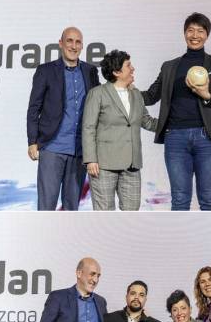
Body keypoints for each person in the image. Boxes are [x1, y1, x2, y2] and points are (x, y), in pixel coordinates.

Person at [142, 12, 211, 210]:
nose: (195, 35)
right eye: (190, 30)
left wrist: (207, 94)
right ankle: (180, 241)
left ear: (207, 35)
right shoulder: (169, 66)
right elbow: (150, 96)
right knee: (180, 199)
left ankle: (209, 241)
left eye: (200, 31)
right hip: (175, 138)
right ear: (184, 33)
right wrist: (120, 91)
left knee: (208, 199)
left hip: (207, 137)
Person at [27, 27, 100, 210]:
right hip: (52, 148)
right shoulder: (45, 71)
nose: (73, 46)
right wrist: (32, 141)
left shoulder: (90, 71)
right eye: (69, 41)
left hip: (79, 151)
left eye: (77, 42)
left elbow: (98, 107)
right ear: (61, 43)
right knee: (46, 207)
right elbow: (34, 107)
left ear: (82, 46)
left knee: (71, 208)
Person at [82, 50, 157, 210]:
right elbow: (88, 128)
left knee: (131, 216)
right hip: (103, 165)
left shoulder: (136, 94)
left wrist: (175, 125)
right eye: (128, 65)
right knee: (104, 215)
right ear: (117, 72)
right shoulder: (97, 94)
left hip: (132, 164)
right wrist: (90, 159)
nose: (133, 69)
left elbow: (147, 122)